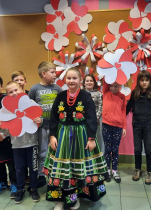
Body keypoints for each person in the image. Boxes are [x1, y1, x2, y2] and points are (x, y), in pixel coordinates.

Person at [43, 67, 108, 210]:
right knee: (61, 169)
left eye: (74, 78)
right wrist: (52, 136)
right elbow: (54, 117)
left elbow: (91, 118)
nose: (71, 81)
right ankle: (59, 200)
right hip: (62, 136)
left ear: (80, 80)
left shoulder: (85, 96)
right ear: (65, 80)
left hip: (81, 137)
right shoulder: (60, 96)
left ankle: (74, 199)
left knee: (77, 170)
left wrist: (91, 138)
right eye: (69, 78)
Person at [0, 81, 41, 204]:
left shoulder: (30, 103)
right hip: (17, 145)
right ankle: (20, 189)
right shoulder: (7, 110)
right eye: (10, 92)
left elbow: (38, 115)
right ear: (7, 95)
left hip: (32, 143)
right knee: (19, 169)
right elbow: (6, 128)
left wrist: (39, 120)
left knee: (33, 168)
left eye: (16, 90)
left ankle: (34, 188)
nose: (14, 93)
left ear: (21, 89)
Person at [28, 61, 62, 188]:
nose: (55, 75)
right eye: (52, 72)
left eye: (55, 72)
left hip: (56, 127)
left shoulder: (57, 88)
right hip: (41, 127)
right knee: (42, 152)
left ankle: (55, 172)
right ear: (43, 73)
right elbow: (28, 106)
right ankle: (42, 174)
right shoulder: (35, 89)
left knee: (56, 150)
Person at [102, 79, 126, 183]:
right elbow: (105, 81)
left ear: (120, 86)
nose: (113, 88)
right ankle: (107, 170)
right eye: (111, 86)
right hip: (106, 125)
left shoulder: (122, 97)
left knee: (115, 149)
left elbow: (123, 111)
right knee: (107, 149)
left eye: (116, 86)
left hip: (118, 126)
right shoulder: (105, 93)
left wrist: (124, 126)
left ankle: (114, 171)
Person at [82, 74, 104, 153]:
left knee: (96, 137)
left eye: (91, 81)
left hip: (96, 120)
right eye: (87, 81)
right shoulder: (80, 93)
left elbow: (100, 107)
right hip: (83, 120)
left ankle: (98, 154)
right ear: (84, 83)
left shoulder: (98, 94)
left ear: (94, 83)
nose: (89, 82)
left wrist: (95, 118)